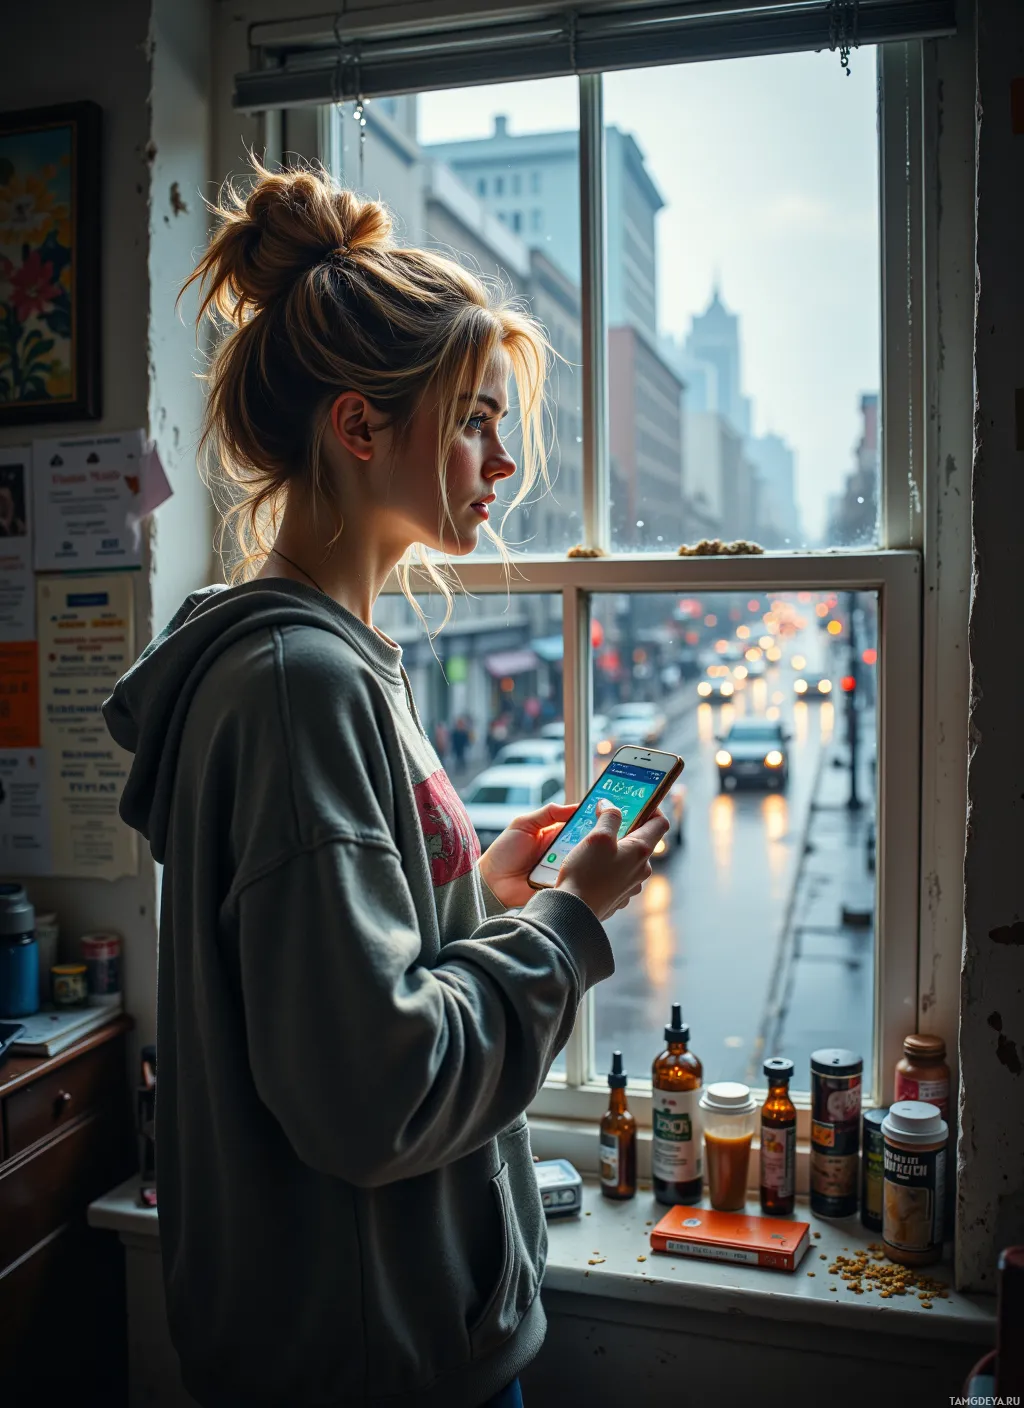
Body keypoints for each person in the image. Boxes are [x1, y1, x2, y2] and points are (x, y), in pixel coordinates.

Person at [102, 159, 668, 1408]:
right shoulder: (302, 685)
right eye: (472, 417)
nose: (501, 461)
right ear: (360, 427)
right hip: (375, 1364)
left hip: (372, 1334)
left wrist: (489, 896)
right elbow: (377, 1091)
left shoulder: (323, 663)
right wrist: (565, 930)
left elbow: (355, 974)